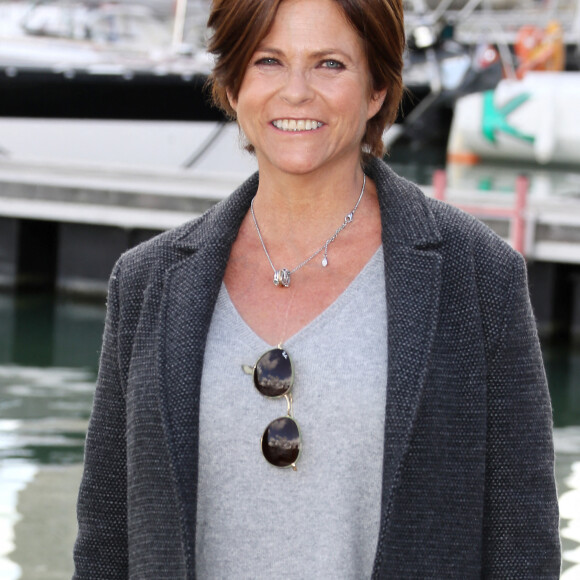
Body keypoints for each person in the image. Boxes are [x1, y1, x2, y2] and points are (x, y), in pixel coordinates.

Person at [73, 0, 561, 577]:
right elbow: (105, 542)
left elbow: (522, 544)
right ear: (232, 85)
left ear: (377, 88)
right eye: (268, 61)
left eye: (330, 64)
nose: (297, 91)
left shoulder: (478, 276)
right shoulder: (147, 282)